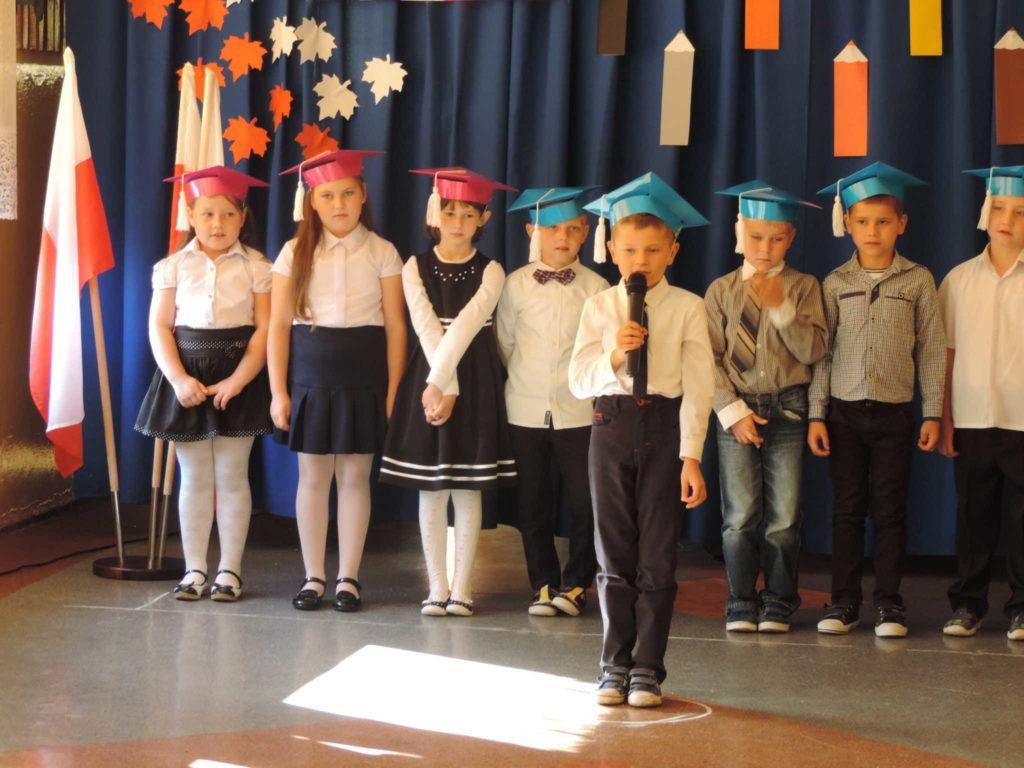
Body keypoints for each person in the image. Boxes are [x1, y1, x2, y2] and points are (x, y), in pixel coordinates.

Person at [569, 172, 714, 708]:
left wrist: (691, 457)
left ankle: (647, 668)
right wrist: (615, 354)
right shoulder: (599, 307)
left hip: (664, 427)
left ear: (673, 251)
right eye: (630, 249)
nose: (641, 260)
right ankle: (613, 665)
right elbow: (578, 380)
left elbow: (699, 387)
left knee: (657, 554)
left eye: (653, 250)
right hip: (611, 424)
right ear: (611, 249)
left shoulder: (688, 307)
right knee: (613, 551)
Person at [808, 162, 945, 638]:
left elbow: (931, 349)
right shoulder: (834, 283)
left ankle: (889, 602)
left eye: (883, 221)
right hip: (843, 413)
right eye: (863, 221)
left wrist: (932, 412)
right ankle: (844, 601)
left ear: (901, 224)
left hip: (894, 414)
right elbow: (822, 354)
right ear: (846, 223)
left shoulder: (918, 281)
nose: (873, 231)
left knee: (890, 511)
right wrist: (816, 415)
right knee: (847, 510)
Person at [268, 150, 406, 613]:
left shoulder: (382, 251)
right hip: (310, 376)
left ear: (363, 194)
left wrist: (393, 389)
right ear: (312, 202)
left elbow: (396, 326)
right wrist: (278, 391)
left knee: (354, 476)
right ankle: (313, 575)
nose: (339, 204)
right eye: (327, 195)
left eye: (348, 193)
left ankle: (349, 576)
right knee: (312, 476)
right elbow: (278, 326)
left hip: (364, 376)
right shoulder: (294, 253)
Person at [379, 167, 516, 617]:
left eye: (468, 214)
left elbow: (468, 324)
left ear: (484, 219)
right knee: (433, 486)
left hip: (472, 375)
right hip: (430, 370)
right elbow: (425, 325)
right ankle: (436, 586)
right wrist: (439, 384)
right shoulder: (413, 266)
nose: (458, 222)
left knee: (468, 487)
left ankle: (463, 587)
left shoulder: (492, 270)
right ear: (434, 213)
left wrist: (447, 386)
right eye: (450, 212)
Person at [135, 166, 273, 602]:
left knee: (232, 475)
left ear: (242, 217)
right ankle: (194, 569)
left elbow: (265, 330)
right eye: (208, 214)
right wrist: (178, 379)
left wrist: (239, 380)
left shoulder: (258, 267)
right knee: (194, 476)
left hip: (238, 374)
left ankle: (229, 571)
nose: (218, 224)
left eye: (228, 214)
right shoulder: (172, 267)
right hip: (188, 374)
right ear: (191, 215)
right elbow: (160, 327)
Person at [705, 182, 827, 633]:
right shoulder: (720, 291)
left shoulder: (804, 286)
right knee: (739, 516)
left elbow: (815, 350)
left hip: (789, 407)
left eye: (777, 238)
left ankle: (779, 599)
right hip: (736, 409)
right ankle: (740, 599)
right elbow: (708, 359)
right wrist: (732, 411)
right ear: (739, 232)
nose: (765, 247)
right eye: (756, 236)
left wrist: (782, 311)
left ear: (791, 238)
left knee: (784, 517)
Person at [498, 187, 609, 617]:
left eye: (572, 229)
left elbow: (601, 351)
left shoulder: (597, 288)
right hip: (524, 410)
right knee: (533, 503)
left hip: (579, 412)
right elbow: (506, 344)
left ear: (586, 232)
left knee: (585, 502)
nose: (562, 237)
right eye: (552, 228)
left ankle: (578, 582)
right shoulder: (514, 285)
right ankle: (542, 583)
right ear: (532, 231)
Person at [938, 165, 1024, 641]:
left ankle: (1022, 607)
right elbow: (946, 356)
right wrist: (945, 419)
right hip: (972, 419)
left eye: (1020, 211)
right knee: (973, 516)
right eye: (999, 208)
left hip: (1021, 418)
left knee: (1022, 519)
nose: (1006, 219)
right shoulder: (958, 281)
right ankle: (968, 604)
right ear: (985, 211)